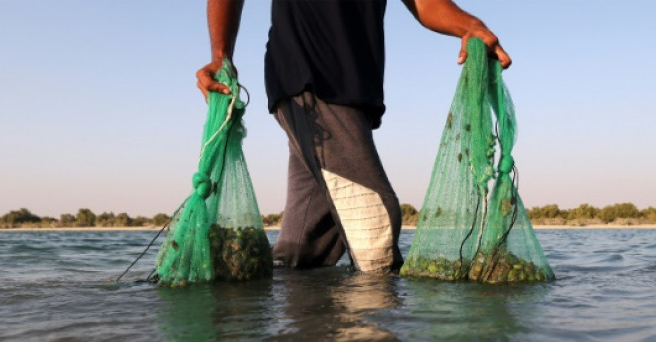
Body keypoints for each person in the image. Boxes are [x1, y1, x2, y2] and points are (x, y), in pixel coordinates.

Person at [196, 0, 512, 272]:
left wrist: (470, 25)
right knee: (376, 221)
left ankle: (297, 332)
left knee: (306, 244)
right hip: (309, 77)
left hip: (353, 94)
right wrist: (220, 54)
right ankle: (373, 334)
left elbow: (427, 5)